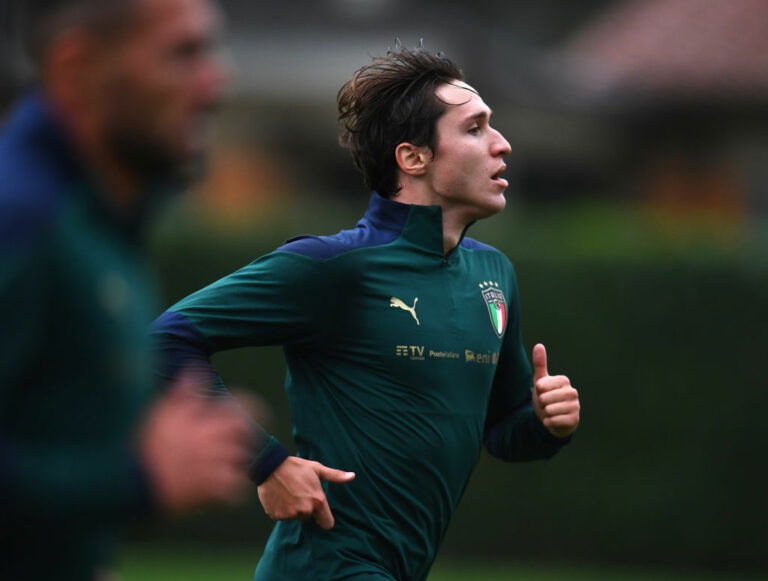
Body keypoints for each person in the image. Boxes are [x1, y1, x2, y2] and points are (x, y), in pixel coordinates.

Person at [152, 47, 581, 580]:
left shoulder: (494, 274)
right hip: (325, 568)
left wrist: (545, 422)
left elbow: (504, 432)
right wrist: (267, 464)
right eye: (475, 128)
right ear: (413, 158)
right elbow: (163, 342)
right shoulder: (332, 266)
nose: (502, 143)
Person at [0, 1, 256, 579]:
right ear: (75, 68)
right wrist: (136, 480)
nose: (215, 84)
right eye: (183, 54)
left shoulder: (104, 216)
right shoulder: (21, 220)